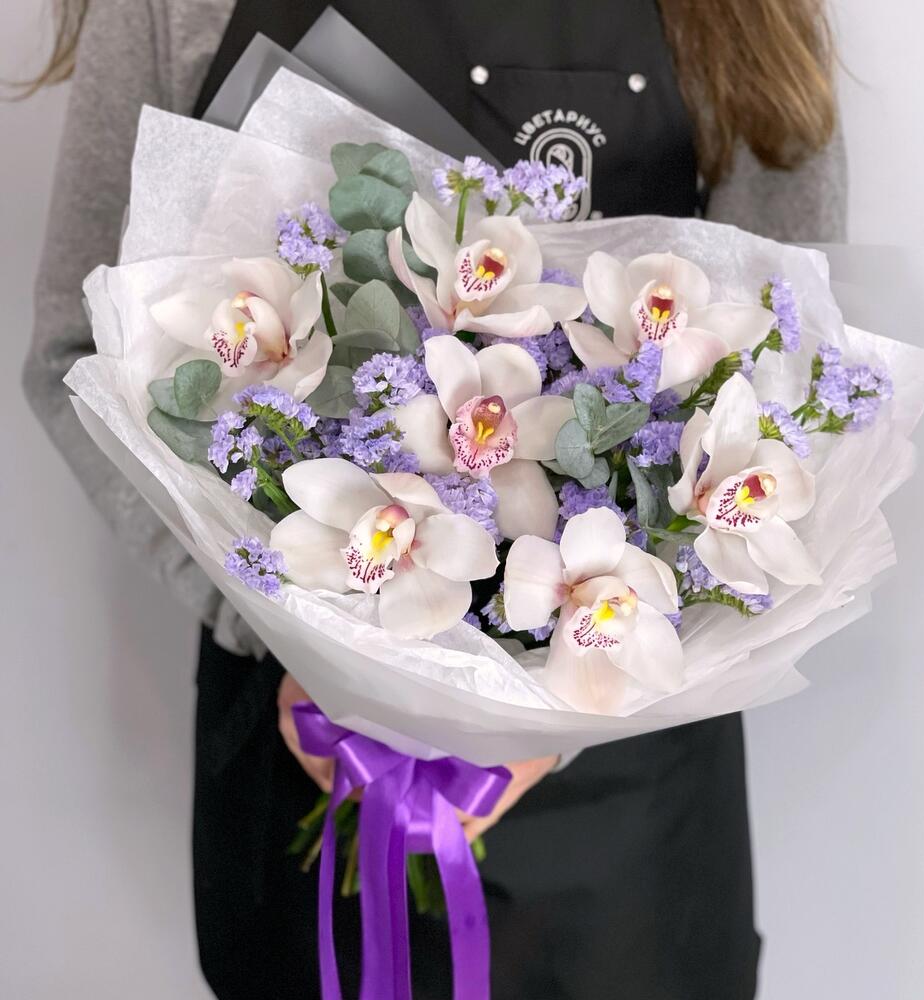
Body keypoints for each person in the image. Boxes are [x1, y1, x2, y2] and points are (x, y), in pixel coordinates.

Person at [20, 1, 845, 997]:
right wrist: (281, 626)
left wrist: (554, 707)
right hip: (308, 754)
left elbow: (792, 380)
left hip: (631, 841)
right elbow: (80, 353)